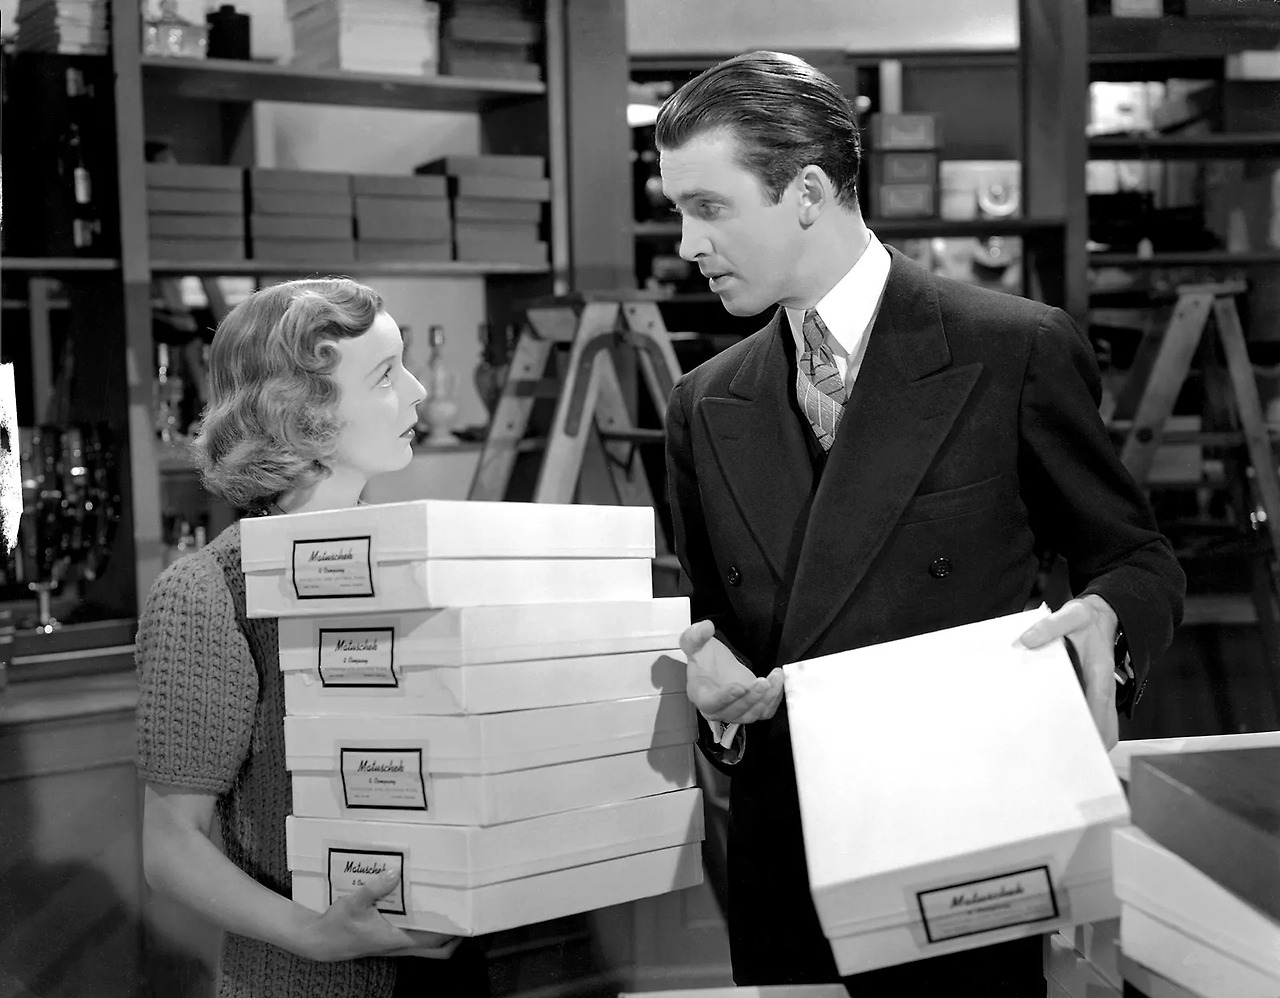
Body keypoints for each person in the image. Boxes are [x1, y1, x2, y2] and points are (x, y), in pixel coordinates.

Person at [658, 52, 1185, 997]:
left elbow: (1136, 557)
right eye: (677, 211)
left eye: (709, 207)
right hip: (787, 854)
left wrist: (1105, 625)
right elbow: (711, 617)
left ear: (807, 192)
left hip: (961, 839)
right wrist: (712, 685)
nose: (688, 243)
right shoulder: (703, 401)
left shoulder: (1013, 349)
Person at [135, 278, 491, 998]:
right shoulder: (208, 594)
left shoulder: (422, 564)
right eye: (386, 375)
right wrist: (313, 934)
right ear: (302, 411)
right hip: (304, 983)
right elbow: (170, 845)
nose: (419, 392)